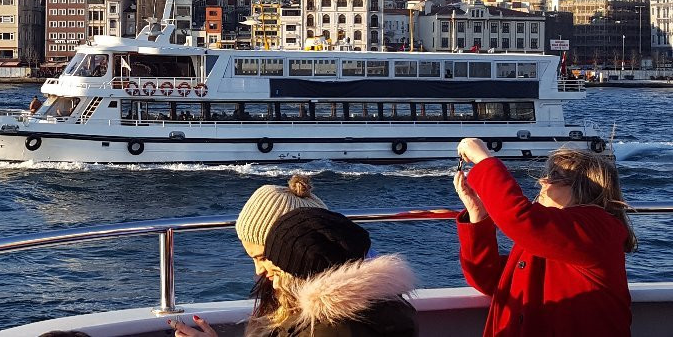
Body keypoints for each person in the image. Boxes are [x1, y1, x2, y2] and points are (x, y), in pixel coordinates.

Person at [453, 138, 636, 337]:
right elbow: (489, 279)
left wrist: (484, 160)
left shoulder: (599, 228)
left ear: (583, 187)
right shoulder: (551, 234)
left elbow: (520, 219)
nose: (542, 181)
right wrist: (477, 214)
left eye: (555, 176)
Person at [172, 207, 418, 337]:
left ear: (301, 274)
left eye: (277, 270)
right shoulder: (352, 315)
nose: (270, 281)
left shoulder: (327, 329)